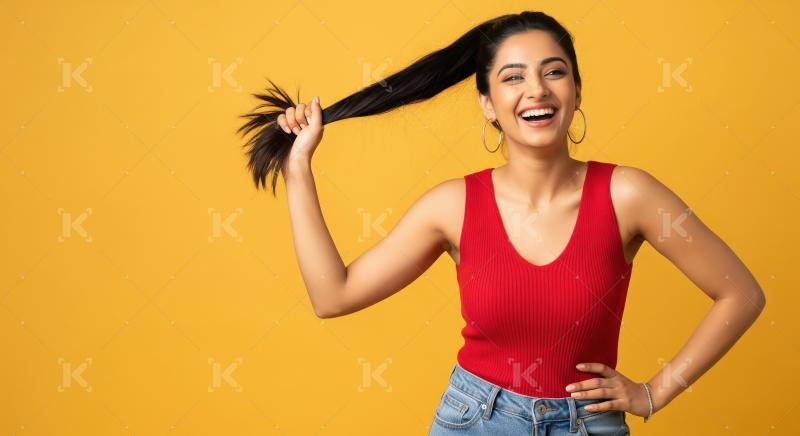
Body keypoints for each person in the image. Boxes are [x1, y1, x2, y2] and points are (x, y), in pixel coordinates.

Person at [238, 11, 766, 436]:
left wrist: (654, 392)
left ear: (577, 92)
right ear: (489, 105)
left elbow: (741, 294)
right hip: (476, 421)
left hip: (589, 425)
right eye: (513, 78)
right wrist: (298, 167)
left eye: (553, 71)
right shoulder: (453, 206)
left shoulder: (629, 194)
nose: (535, 89)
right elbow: (333, 296)